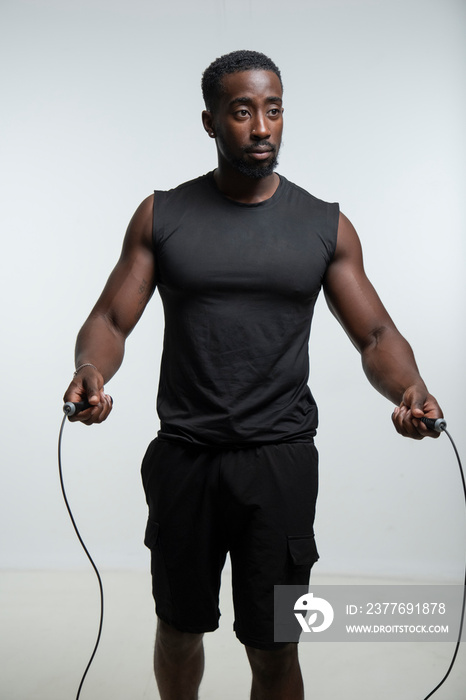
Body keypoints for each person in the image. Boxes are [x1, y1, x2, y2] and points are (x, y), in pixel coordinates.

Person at [63, 50, 443, 700]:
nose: (262, 126)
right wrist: (91, 371)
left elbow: (376, 334)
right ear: (211, 122)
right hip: (185, 460)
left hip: (280, 465)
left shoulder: (325, 226)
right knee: (179, 632)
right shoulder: (163, 216)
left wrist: (410, 388)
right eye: (242, 111)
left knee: (275, 643)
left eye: (274, 109)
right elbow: (111, 319)